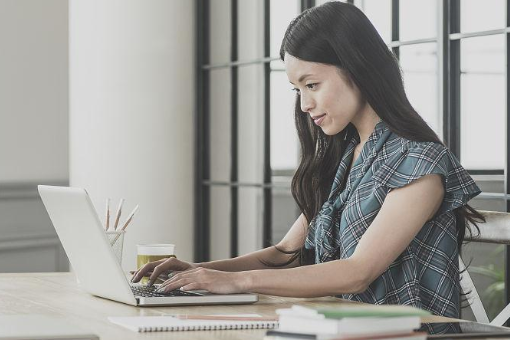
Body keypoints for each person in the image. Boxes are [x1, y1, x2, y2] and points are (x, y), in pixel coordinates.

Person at [132, 2, 483, 319]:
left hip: (404, 332)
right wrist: (198, 272)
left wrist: (236, 282)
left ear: (357, 69)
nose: (304, 105)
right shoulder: (344, 157)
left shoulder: (421, 162)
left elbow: (358, 272)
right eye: (297, 89)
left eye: (312, 84)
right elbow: (287, 253)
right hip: (336, 325)